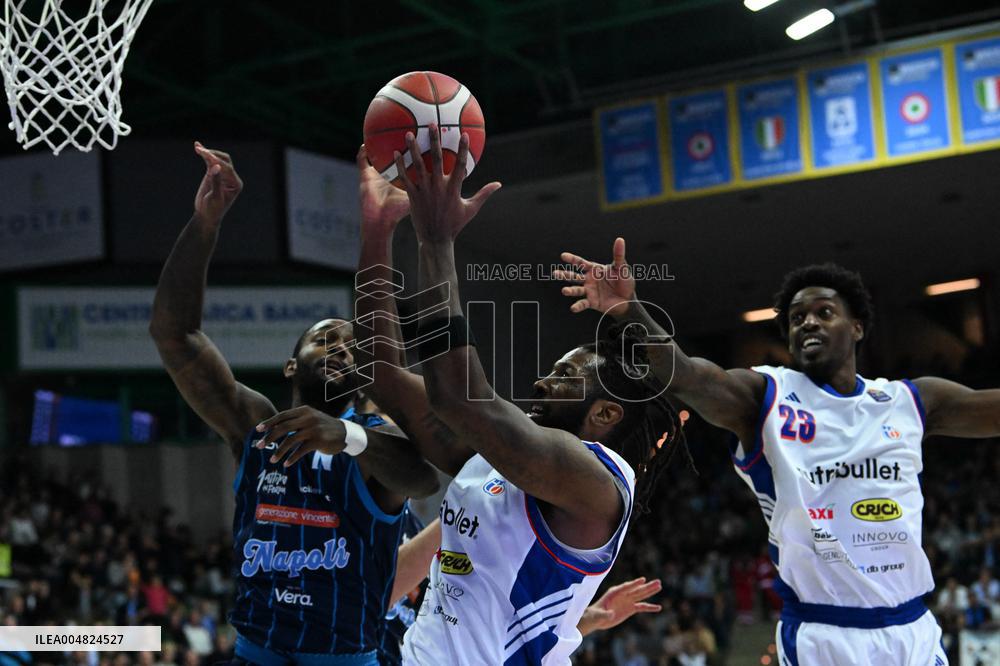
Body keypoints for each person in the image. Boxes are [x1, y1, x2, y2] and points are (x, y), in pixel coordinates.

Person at [556, 242, 1000, 665]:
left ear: (858, 327)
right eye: (796, 318)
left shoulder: (912, 401)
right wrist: (628, 311)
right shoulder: (765, 397)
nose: (807, 323)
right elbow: (687, 376)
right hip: (825, 634)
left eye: (824, 312)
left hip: (912, 627)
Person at [352, 126, 686, 665]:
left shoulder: (594, 484)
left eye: (564, 377)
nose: (540, 382)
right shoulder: (496, 461)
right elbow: (383, 374)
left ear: (604, 413)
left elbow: (458, 396)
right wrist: (377, 228)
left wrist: (435, 241)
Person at [149, 142, 439, 666]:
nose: (341, 347)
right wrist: (204, 224)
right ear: (290, 365)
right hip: (255, 653)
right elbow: (175, 336)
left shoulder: (372, 435)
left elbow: (421, 478)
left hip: (346, 656)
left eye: (352, 345)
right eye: (325, 338)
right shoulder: (255, 424)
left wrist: (346, 436)